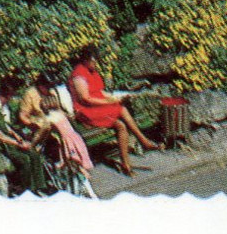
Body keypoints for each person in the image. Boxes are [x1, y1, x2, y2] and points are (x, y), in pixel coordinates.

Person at [70, 46, 158, 176]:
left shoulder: (92, 71)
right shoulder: (79, 75)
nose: (96, 64)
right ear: (85, 60)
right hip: (86, 111)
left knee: (121, 119)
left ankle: (128, 161)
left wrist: (113, 97)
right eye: (94, 61)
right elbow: (85, 98)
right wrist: (109, 101)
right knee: (121, 113)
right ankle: (141, 143)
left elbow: (100, 92)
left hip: (97, 106)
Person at [19, 73, 93, 175]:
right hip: (37, 124)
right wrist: (33, 124)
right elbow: (23, 116)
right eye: (47, 86)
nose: (49, 89)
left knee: (64, 134)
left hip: (54, 123)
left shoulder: (52, 92)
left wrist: (68, 114)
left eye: (50, 86)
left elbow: (58, 109)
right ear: (41, 84)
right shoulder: (30, 94)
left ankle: (71, 165)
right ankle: (63, 164)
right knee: (56, 136)